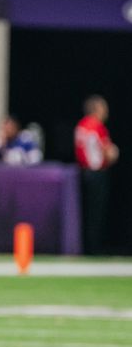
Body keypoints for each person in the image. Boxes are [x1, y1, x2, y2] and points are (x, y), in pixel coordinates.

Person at [75, 95, 119, 255]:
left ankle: (83, 246)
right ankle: (93, 248)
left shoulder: (81, 126)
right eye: (103, 108)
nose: (106, 112)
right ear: (96, 109)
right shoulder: (96, 126)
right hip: (96, 173)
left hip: (83, 173)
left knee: (85, 211)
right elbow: (108, 152)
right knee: (95, 213)